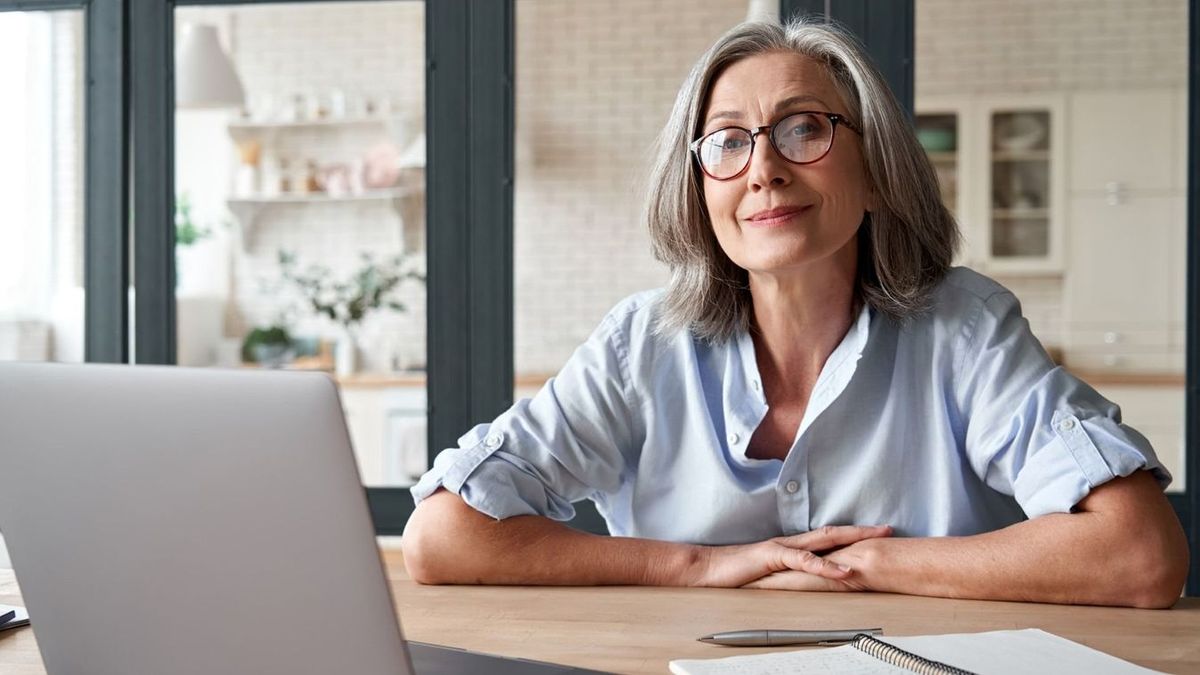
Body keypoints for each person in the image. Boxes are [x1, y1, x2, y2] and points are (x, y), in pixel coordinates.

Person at [403, 18, 1188, 608]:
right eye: (727, 142)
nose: (764, 169)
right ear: (700, 188)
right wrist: (703, 565)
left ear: (876, 169)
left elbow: (1141, 554)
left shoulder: (966, 327)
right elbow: (442, 536)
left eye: (803, 128)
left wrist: (864, 564)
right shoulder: (642, 343)